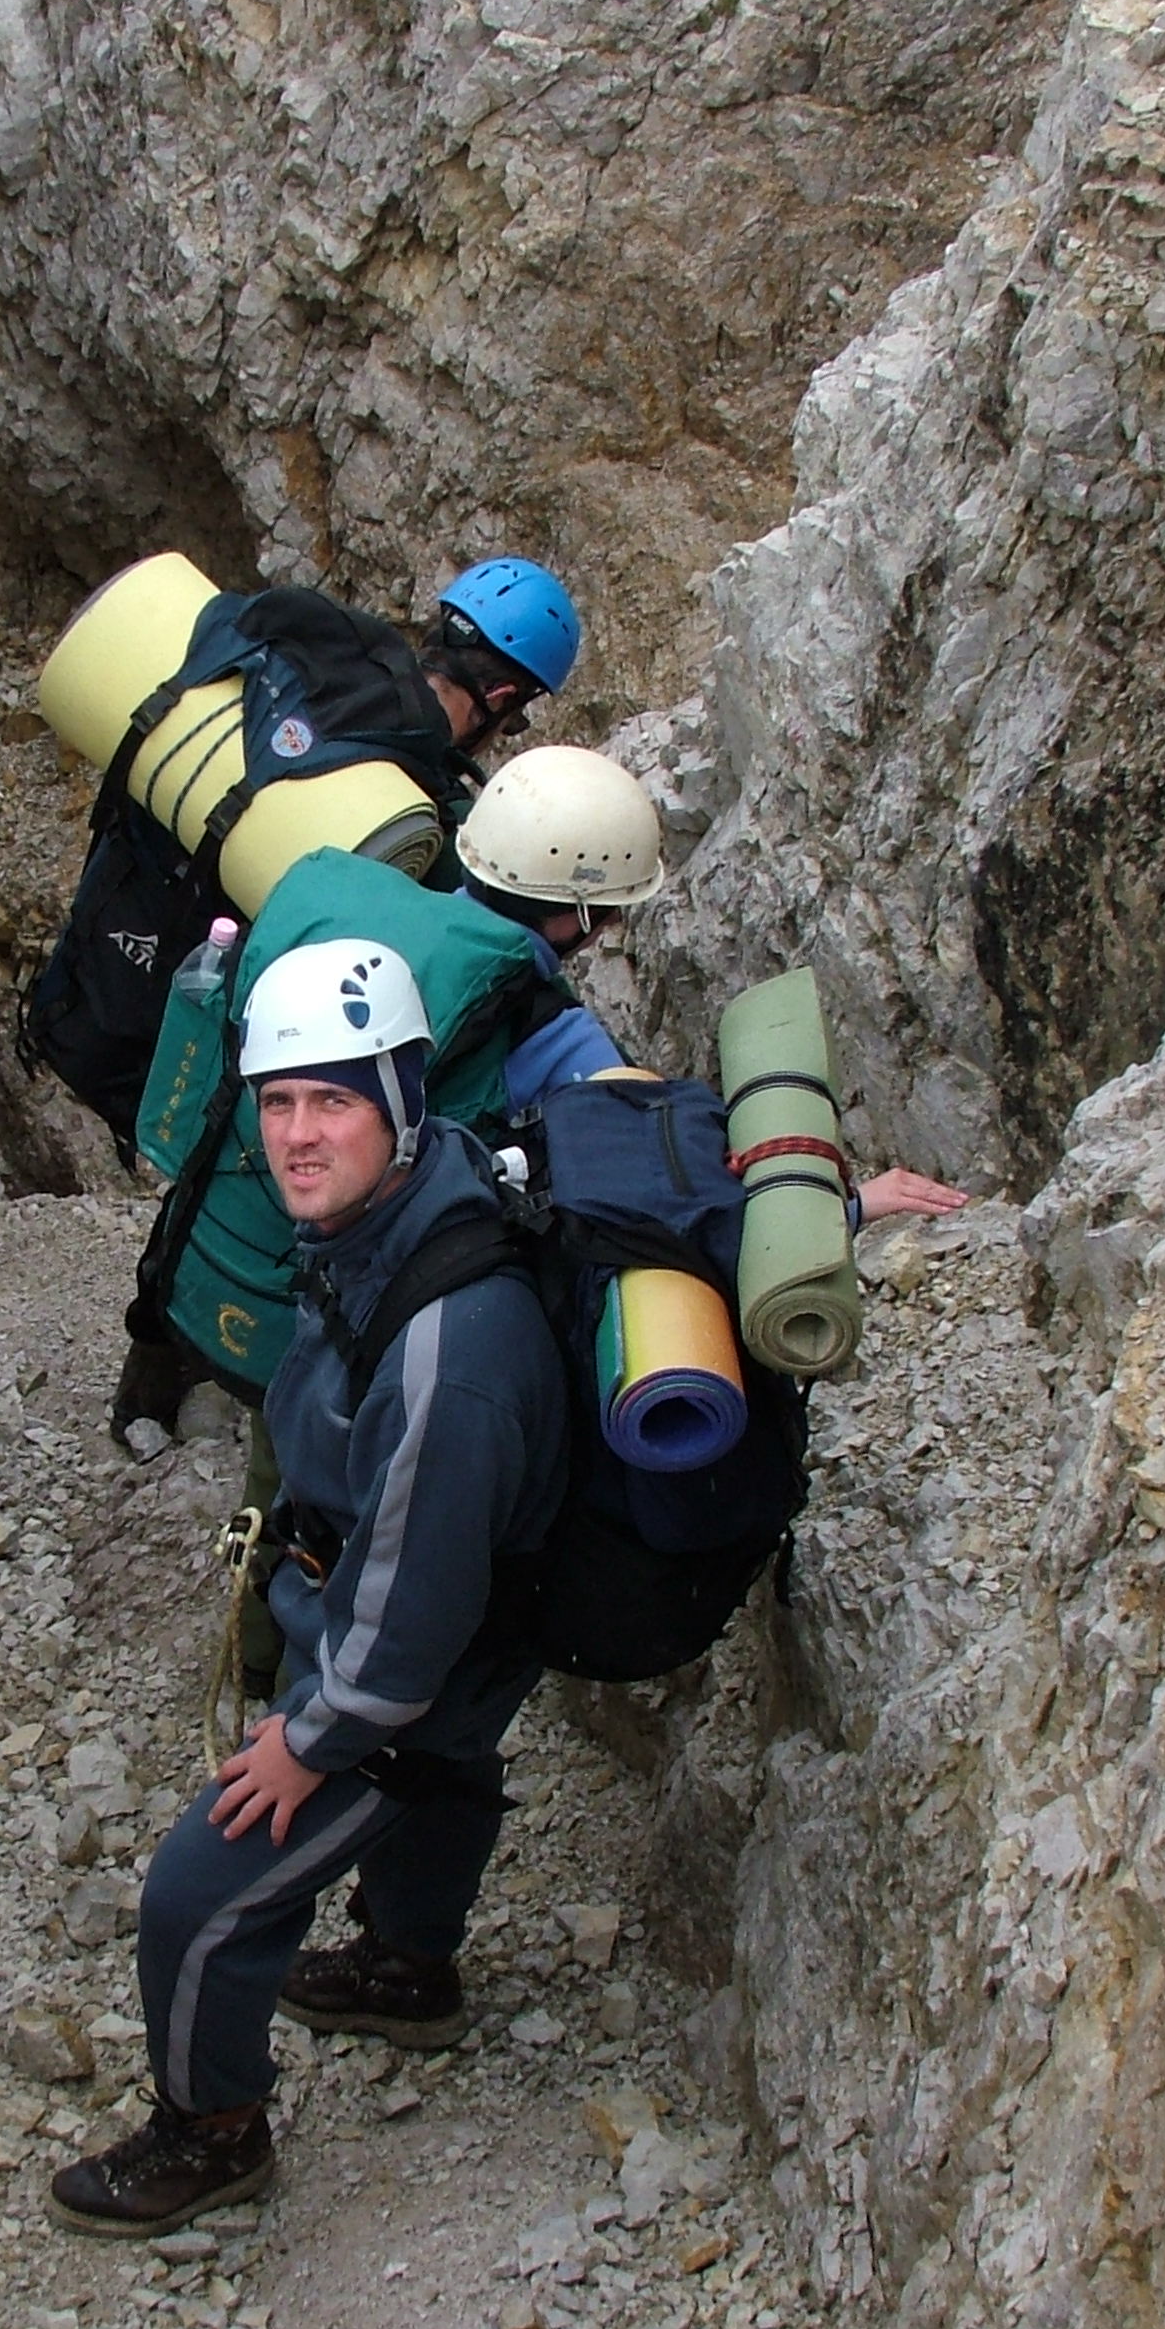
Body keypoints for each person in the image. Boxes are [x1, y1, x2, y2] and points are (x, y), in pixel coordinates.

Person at [54, 942, 566, 2236]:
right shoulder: (403, 1207)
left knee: (197, 1898)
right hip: (457, 1628)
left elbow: (410, 1624)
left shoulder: (451, 1348)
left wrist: (313, 1736)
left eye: (331, 1098)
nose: (294, 1134)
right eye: (276, 1100)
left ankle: (211, 2133)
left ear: (401, 1097)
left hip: (416, 1669)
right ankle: (409, 1970)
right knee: (450, 1780)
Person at [87, 559, 587, 1435]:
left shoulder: (344, 683)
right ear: (505, 694)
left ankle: (145, 1392)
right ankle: (276, 1410)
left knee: (209, 1178)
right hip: (320, 1034)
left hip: (230, 993)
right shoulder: (419, 808)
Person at [451, 745, 972, 1222]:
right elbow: (676, 1202)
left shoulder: (411, 921)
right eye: (612, 911)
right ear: (578, 917)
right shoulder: (564, 1043)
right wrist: (850, 1208)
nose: (613, 924)